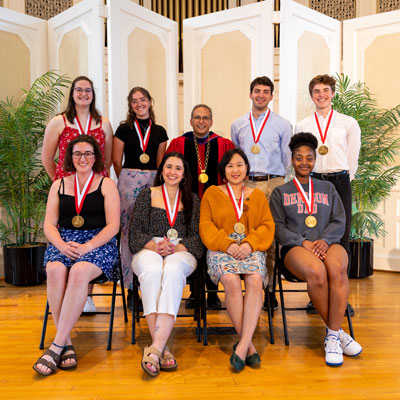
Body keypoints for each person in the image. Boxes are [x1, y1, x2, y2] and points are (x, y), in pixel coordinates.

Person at [269, 132, 362, 366]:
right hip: (297, 248)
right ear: (292, 160)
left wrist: (326, 240)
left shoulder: (328, 188)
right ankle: (338, 333)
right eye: (299, 158)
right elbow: (277, 227)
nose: (304, 162)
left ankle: (332, 335)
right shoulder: (281, 192)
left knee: (338, 267)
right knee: (317, 272)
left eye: (309, 158)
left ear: (314, 160)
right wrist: (303, 242)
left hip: (327, 243)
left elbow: (339, 220)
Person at [33, 135, 120, 376]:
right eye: (78, 154)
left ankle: (56, 346)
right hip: (65, 241)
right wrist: (61, 245)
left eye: (88, 154)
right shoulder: (58, 184)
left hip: (98, 242)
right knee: (55, 269)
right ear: (70, 157)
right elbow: (49, 225)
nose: (83, 158)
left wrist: (87, 246)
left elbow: (113, 226)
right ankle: (67, 341)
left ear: (96, 157)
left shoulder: (106, 184)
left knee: (80, 272)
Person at [41, 75, 114, 313]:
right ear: (72, 94)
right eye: (79, 90)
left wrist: (99, 187)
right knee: (69, 237)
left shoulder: (103, 123)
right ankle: (64, 298)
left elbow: (108, 159)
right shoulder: (59, 122)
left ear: (93, 95)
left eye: (88, 90)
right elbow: (47, 158)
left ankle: (87, 296)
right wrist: (60, 183)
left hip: (96, 191)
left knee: (93, 234)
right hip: (69, 190)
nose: (84, 94)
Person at [199, 148, 275, 371]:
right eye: (230, 165)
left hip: (251, 246)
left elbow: (267, 226)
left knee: (254, 280)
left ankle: (241, 346)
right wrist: (228, 245)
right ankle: (249, 346)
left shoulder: (258, 195)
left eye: (240, 165)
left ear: (247, 169)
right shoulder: (212, 193)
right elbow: (206, 226)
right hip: (221, 247)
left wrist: (250, 244)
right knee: (231, 281)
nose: (235, 170)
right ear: (223, 170)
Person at [129, 152, 203, 377]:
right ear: (161, 171)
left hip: (181, 249)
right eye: (168, 167)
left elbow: (197, 237)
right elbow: (135, 233)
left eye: (178, 168)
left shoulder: (192, 199)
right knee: (152, 271)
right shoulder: (146, 194)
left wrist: (176, 248)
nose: (172, 172)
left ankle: (156, 348)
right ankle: (161, 346)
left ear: (184, 174)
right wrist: (155, 246)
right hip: (149, 246)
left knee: (171, 271)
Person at [295, 74, 361, 315]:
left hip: (339, 180)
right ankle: (317, 294)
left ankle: (341, 296)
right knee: (314, 234)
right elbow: (300, 156)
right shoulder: (303, 125)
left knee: (342, 236)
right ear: (311, 95)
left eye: (325, 90)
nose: (321, 94)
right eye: (316, 91)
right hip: (313, 181)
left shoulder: (348, 122)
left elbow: (352, 157)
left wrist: (342, 179)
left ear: (333, 93)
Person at [231, 76, 292, 309]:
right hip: (246, 184)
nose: (261, 95)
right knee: (245, 234)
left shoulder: (282, 124)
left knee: (271, 238)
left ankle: (269, 289)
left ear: (271, 96)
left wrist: (279, 181)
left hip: (273, 182)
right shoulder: (238, 124)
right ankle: (250, 286)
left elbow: (287, 157)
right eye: (257, 91)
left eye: (266, 92)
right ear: (250, 94)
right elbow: (236, 157)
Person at [167, 104, 235, 309]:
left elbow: (232, 175)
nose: (201, 121)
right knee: (191, 242)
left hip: (216, 205)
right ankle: (194, 292)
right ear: (190, 121)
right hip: (186, 203)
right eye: (197, 117)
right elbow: (168, 175)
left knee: (213, 244)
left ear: (211, 122)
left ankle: (213, 292)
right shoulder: (178, 143)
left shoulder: (224, 144)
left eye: (205, 118)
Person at [112, 87, 168, 306]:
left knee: (154, 229)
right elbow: (116, 161)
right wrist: (127, 181)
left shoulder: (160, 131)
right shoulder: (124, 129)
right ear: (130, 105)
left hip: (153, 181)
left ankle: (154, 282)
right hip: (128, 182)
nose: (139, 104)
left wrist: (155, 183)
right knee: (127, 233)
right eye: (134, 101)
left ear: (150, 101)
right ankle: (131, 287)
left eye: (142, 99)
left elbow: (161, 162)